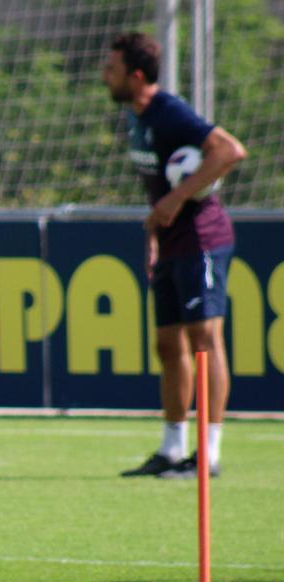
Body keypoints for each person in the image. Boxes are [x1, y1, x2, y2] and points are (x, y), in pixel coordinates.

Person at [102, 33, 245, 479]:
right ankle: (171, 448)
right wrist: (155, 227)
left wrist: (176, 199)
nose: (105, 76)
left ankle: (209, 454)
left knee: (205, 339)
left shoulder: (170, 111)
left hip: (202, 239)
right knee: (167, 344)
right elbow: (157, 188)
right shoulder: (136, 118)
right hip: (168, 243)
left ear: (136, 76)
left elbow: (229, 150)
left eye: (112, 69)